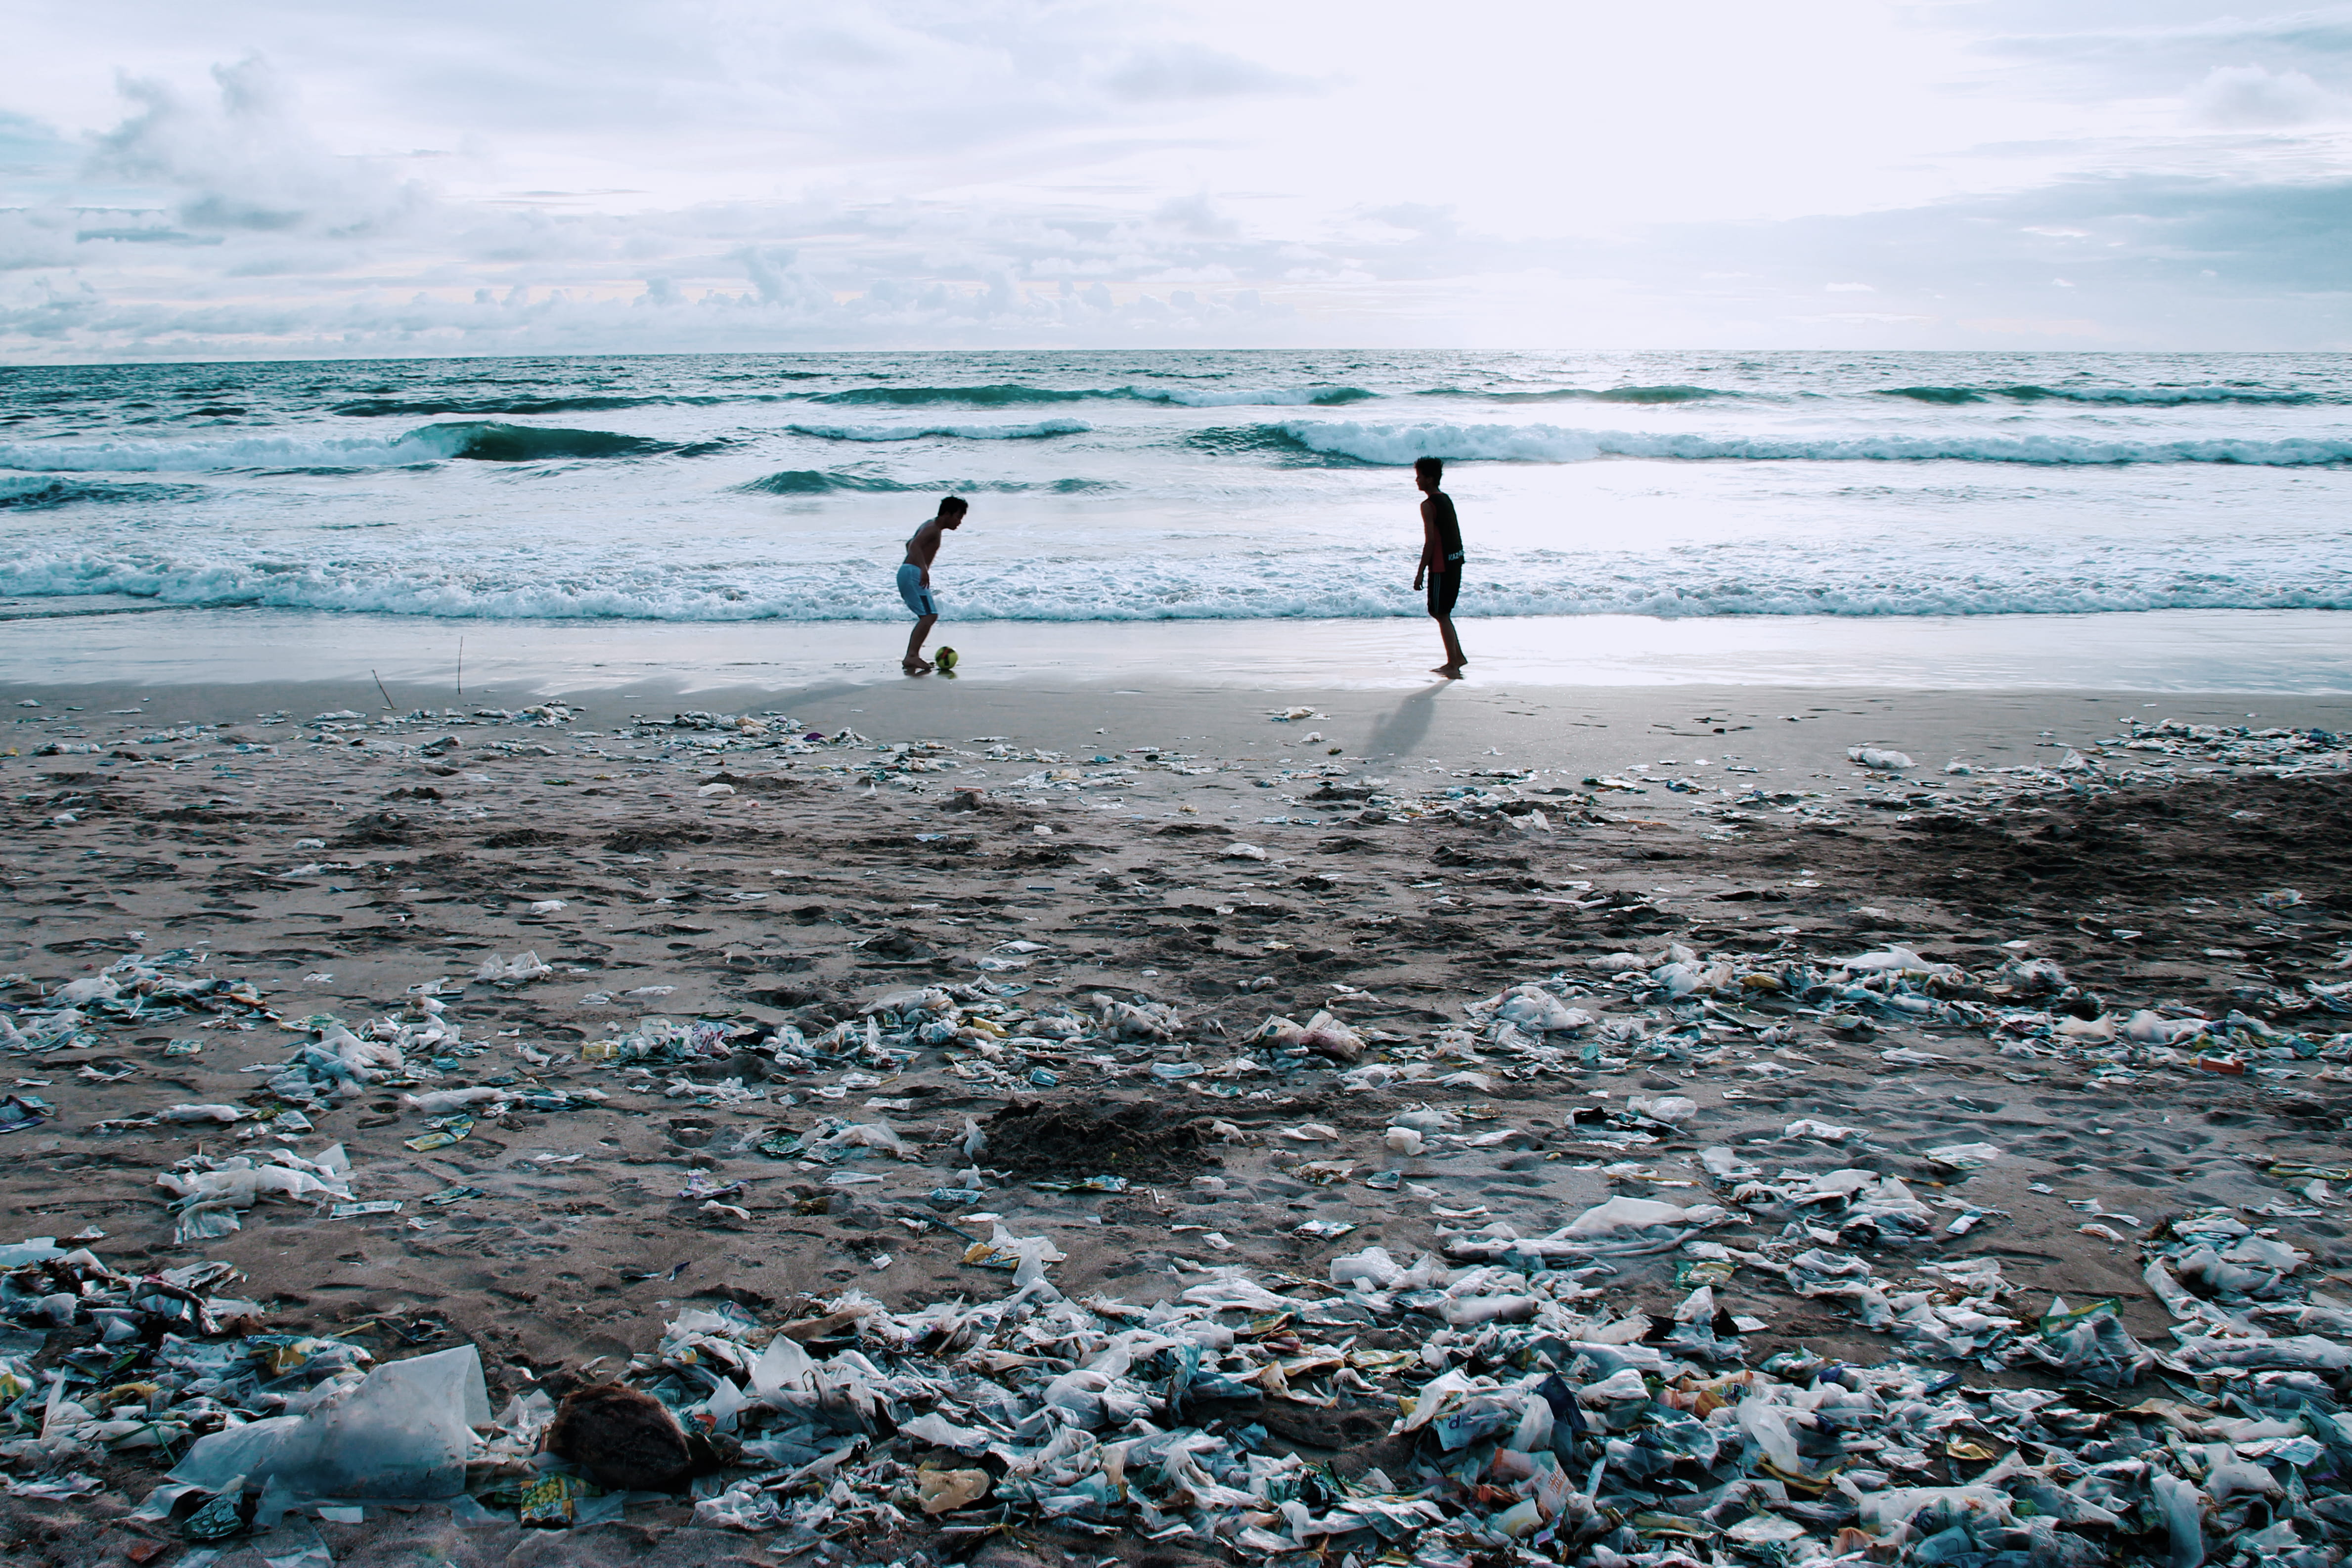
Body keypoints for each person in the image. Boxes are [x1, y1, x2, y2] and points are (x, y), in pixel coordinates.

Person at [1412, 456, 1467, 678]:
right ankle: (1457, 657)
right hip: (1455, 561)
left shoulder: (1428, 505)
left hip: (1442, 566)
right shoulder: (1446, 499)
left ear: (1430, 478)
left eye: (1420, 476)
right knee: (1442, 612)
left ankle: (1453, 663)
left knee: (1440, 613)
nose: (1417, 480)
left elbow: (1431, 542)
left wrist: (1420, 572)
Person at [898, 496, 966, 672]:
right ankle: (911, 656)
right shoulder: (933, 529)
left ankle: (912, 655)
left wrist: (918, 565)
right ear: (947, 514)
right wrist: (922, 568)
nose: (959, 522)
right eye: (958, 517)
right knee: (929, 616)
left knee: (929, 615)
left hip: (909, 571)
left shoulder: (930, 525)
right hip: (912, 573)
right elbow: (913, 545)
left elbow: (909, 544)